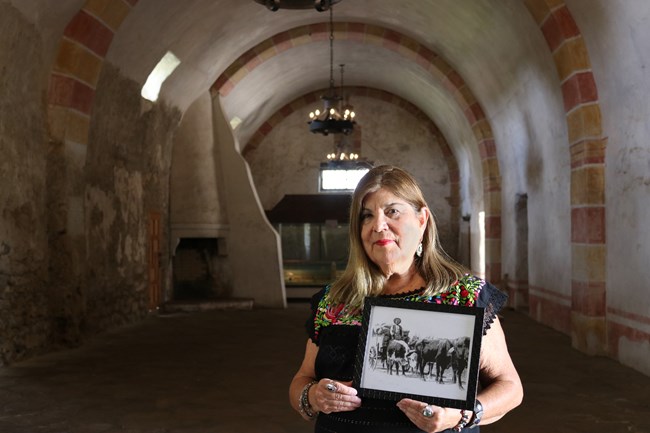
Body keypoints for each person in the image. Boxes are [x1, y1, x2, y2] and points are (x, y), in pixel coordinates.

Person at [289, 165, 523, 432]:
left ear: (422, 220)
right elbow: (302, 379)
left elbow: (510, 387)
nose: (378, 226)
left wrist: (458, 415)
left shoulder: (465, 295)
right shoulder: (334, 300)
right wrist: (312, 396)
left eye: (392, 212)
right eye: (366, 216)